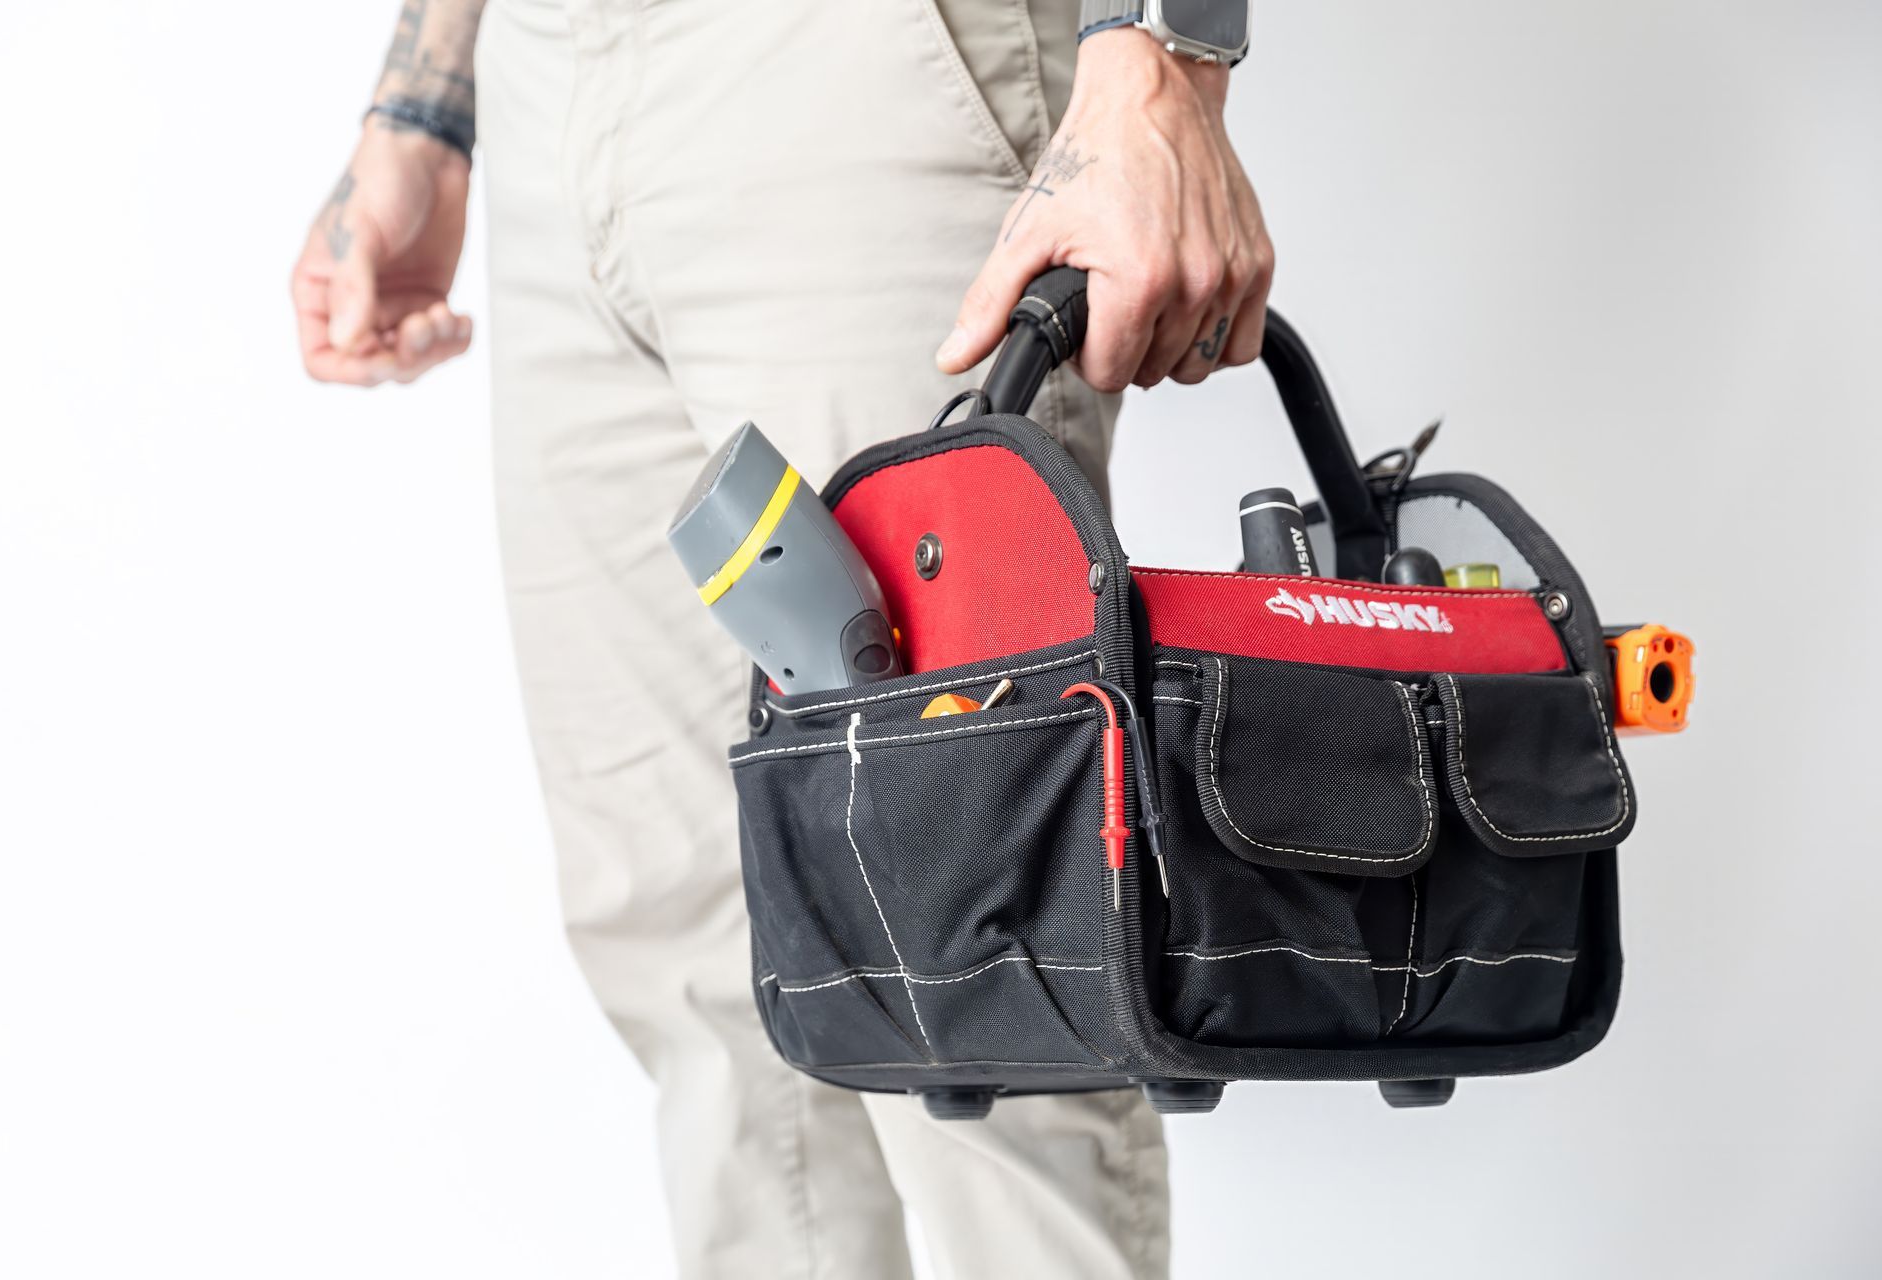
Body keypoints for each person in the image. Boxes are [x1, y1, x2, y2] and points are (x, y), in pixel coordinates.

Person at [291, 1, 1271, 1275]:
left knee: (981, 950)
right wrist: (422, 107)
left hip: (856, 69)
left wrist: (1165, 52)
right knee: (692, 954)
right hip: (547, 77)